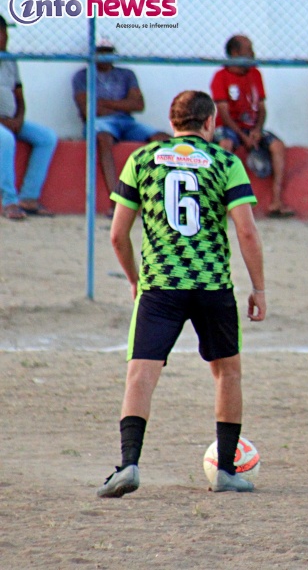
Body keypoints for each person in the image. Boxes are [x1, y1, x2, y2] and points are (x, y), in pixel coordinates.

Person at [97, 90, 266, 497]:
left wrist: (136, 279)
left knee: (141, 373)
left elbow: (118, 234)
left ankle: (129, 464)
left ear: (172, 123)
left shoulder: (142, 159)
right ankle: (226, 470)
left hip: (161, 286)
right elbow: (246, 230)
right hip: (212, 286)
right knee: (228, 371)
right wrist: (259, 287)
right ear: (209, 123)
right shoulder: (226, 162)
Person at [72, 37, 169, 213]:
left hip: (126, 121)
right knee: (103, 138)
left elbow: (138, 105)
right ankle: (117, 202)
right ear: (94, 53)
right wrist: (123, 103)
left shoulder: (127, 74)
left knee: (162, 139)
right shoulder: (82, 76)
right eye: (101, 52)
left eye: (108, 52)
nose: (105, 56)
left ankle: (156, 196)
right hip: (100, 123)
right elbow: (88, 110)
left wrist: (104, 103)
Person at [211, 34, 293, 218]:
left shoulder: (255, 73)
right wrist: (242, 136)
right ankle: (221, 203)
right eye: (249, 50)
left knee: (277, 146)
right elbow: (223, 113)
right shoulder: (220, 76)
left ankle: (276, 201)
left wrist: (256, 130)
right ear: (235, 53)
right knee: (225, 146)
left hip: (251, 128)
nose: (253, 54)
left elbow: (262, 108)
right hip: (229, 128)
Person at [0, 14, 58, 220]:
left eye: (5, 32)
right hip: (1, 124)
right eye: (1, 32)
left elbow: (19, 94)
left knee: (47, 137)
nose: (5, 37)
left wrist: (19, 118)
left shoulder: (9, 61)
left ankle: (29, 198)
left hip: (10, 119)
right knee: (5, 139)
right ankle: (9, 201)